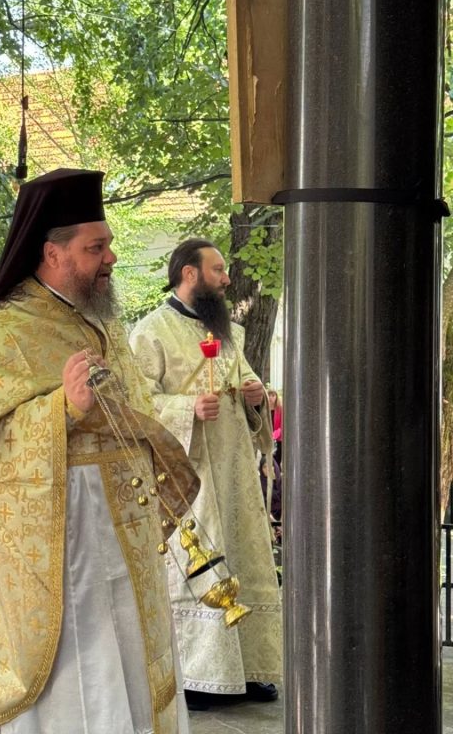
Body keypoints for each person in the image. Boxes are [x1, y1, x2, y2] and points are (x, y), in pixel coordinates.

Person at [0, 168, 199, 733]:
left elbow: (137, 406)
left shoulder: (100, 320)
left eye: (108, 245)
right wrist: (63, 408)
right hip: (63, 541)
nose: (110, 258)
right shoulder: (4, 332)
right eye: (95, 248)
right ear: (53, 253)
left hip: (124, 532)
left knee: (133, 650)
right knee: (81, 665)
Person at [129, 238, 282, 709]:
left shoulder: (229, 332)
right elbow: (134, 404)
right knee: (198, 563)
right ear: (189, 273)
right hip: (187, 475)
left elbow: (250, 385)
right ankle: (199, 676)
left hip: (235, 473)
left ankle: (250, 669)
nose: (227, 279)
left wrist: (258, 396)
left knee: (245, 558)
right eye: (217, 270)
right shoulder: (150, 332)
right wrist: (186, 408)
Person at [268, 388, 283, 466]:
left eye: (273, 395)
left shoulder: (280, 409)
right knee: (266, 461)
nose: (270, 397)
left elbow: (282, 425)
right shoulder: (264, 409)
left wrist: (274, 435)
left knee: (276, 461)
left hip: (278, 439)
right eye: (269, 395)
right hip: (267, 438)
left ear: (276, 397)